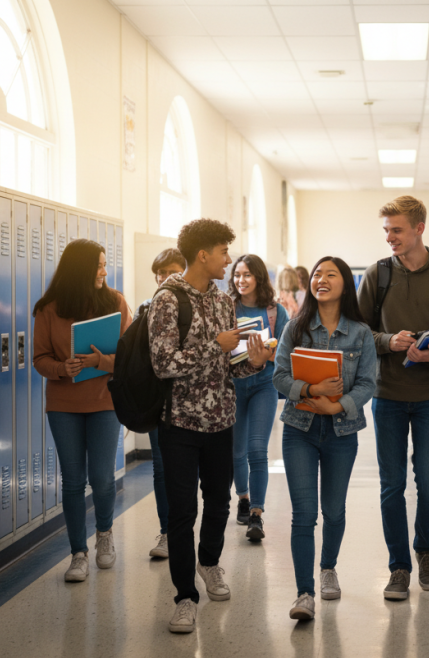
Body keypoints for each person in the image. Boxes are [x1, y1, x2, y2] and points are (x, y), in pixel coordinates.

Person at [148, 218, 267, 634]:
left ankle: (210, 563)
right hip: (180, 422)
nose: (227, 260)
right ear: (203, 254)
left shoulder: (222, 301)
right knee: (183, 512)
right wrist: (214, 346)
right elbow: (164, 364)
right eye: (222, 252)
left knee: (219, 501)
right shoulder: (166, 299)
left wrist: (248, 363)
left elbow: (228, 370)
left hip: (221, 420)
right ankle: (184, 597)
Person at [357, 195, 429, 601]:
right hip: (388, 395)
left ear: (420, 227)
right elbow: (359, 333)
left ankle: (425, 548)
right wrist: (390, 340)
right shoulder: (377, 274)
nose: (390, 238)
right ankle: (398, 566)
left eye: (397, 230)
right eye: (386, 230)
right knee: (392, 486)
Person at [272, 256, 377, 621]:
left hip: (341, 432)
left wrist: (339, 406)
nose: (321, 279)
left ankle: (328, 566)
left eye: (331, 274)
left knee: (333, 510)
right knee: (303, 514)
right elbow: (279, 376)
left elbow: (368, 383)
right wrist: (311, 388)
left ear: (345, 284)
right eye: (317, 274)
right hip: (299, 430)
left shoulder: (360, 333)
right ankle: (304, 593)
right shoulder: (296, 327)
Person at [32, 239, 132, 583]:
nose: (104, 271)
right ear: (81, 269)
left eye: (105, 264)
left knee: (102, 478)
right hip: (63, 405)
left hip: (105, 400)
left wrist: (99, 361)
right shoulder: (48, 309)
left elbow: (132, 358)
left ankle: (103, 532)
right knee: (72, 481)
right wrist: (64, 368)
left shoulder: (116, 303)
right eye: (99, 265)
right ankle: (78, 552)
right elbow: (39, 359)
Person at [229, 254, 288, 541]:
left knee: (257, 449)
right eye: (237, 274)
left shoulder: (275, 312)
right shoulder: (226, 307)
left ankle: (256, 513)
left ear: (259, 278)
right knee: (236, 449)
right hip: (233, 387)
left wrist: (270, 355)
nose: (241, 280)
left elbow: (288, 349)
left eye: (248, 275)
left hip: (264, 385)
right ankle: (242, 497)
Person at [136, 248, 187, 560]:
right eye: (158, 272)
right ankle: (167, 531)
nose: (162, 278)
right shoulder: (146, 308)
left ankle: (187, 529)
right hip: (159, 400)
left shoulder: (200, 306)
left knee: (189, 470)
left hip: (195, 403)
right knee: (161, 467)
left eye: (169, 270)